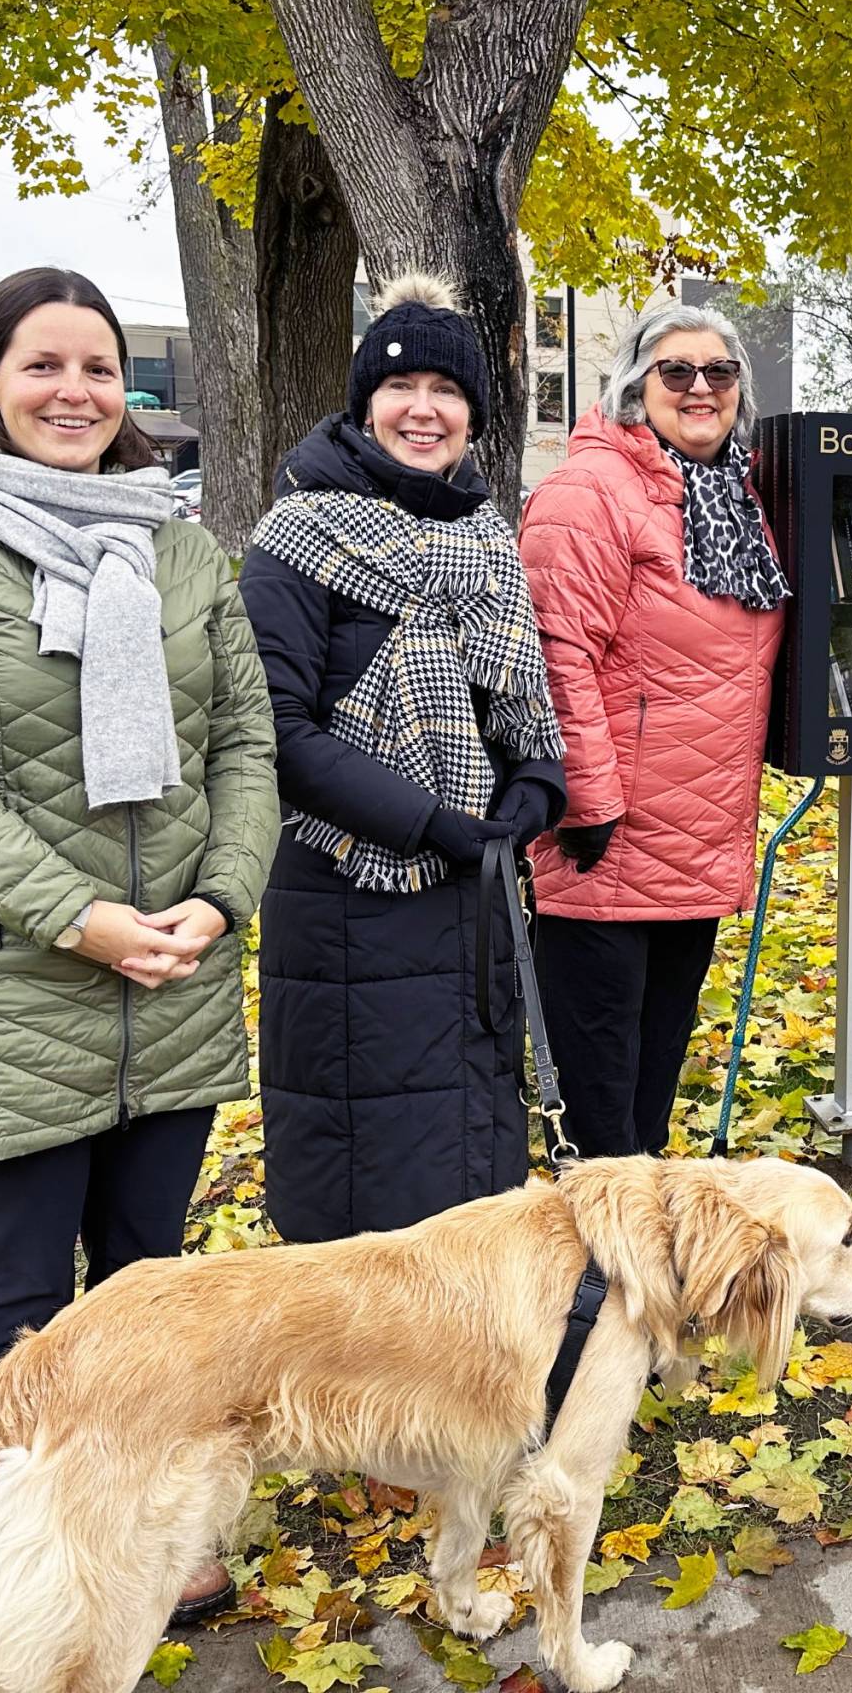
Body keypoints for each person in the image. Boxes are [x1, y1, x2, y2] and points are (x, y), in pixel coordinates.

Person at [0, 265, 277, 1621]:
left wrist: (222, 896)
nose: (75, 392)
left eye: (97, 368)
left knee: (148, 1285)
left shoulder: (181, 551)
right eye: (43, 365)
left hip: (177, 978)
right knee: (26, 1298)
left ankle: (139, 1522)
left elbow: (245, 743)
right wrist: (76, 917)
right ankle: (25, 1545)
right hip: (13, 980)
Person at [240, 273, 566, 1242]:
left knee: (472, 1174)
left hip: (475, 900)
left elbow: (519, 705)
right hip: (349, 900)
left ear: (474, 414)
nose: (424, 410)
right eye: (400, 388)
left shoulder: (485, 539)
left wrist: (536, 785)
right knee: (365, 1190)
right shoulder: (298, 535)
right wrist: (431, 825)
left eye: (447, 391)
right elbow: (274, 729)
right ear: (364, 404)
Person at [519, 302, 790, 1158]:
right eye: (677, 370)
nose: (700, 387)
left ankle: (646, 1237)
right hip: (606, 844)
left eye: (720, 371)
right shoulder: (591, 492)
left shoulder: (735, 496)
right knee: (599, 1110)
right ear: (638, 384)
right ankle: (600, 1244)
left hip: (696, 841)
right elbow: (556, 655)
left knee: (651, 1087)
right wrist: (586, 804)